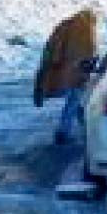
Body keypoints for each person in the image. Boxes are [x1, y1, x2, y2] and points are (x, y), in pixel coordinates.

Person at [34, 9, 98, 144]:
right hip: (78, 74)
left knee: (76, 101)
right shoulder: (86, 31)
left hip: (63, 72)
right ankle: (64, 132)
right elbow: (89, 53)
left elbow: (53, 47)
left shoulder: (65, 26)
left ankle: (74, 128)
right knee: (75, 101)